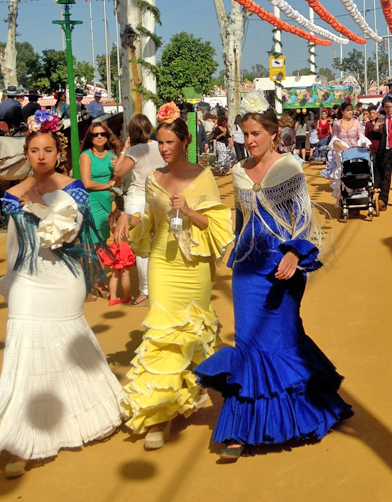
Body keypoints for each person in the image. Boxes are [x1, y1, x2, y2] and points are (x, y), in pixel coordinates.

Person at [194, 95, 353, 459]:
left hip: (285, 263)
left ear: (272, 133)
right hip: (249, 266)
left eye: (255, 133)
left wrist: (296, 254)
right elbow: (240, 217)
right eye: (244, 133)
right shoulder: (236, 171)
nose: (249, 140)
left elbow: (303, 218)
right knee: (249, 341)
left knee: (283, 336)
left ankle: (312, 408)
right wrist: (234, 251)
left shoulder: (291, 167)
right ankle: (239, 430)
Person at [0, 123, 125, 477]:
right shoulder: (11, 194)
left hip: (63, 277)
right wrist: (10, 279)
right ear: (26, 154)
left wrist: (38, 207)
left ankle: (80, 413)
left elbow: (68, 235)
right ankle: (20, 438)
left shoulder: (74, 188)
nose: (41, 156)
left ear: (59, 154)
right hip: (27, 278)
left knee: (67, 345)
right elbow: (12, 242)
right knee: (24, 348)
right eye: (35, 151)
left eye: (48, 151)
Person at [113, 109, 233, 450]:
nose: (164, 149)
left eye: (170, 142)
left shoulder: (203, 175)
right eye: (160, 142)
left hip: (194, 264)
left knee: (192, 331)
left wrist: (190, 211)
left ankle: (213, 401)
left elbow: (216, 226)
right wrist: (130, 220)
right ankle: (161, 415)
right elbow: (149, 219)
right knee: (164, 333)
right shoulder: (153, 178)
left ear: (185, 142)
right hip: (163, 262)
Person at [111, 114, 164, 307]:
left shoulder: (135, 150)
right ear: (150, 129)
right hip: (159, 198)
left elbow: (118, 172)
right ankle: (160, 286)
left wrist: (125, 150)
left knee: (142, 248)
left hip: (138, 199)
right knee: (159, 242)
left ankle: (145, 290)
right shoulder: (160, 146)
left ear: (130, 132)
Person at [79, 120, 122, 298]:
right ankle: (85, 285)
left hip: (105, 202)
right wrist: (109, 184)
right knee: (88, 245)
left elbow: (119, 179)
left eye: (102, 134)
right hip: (91, 201)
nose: (99, 137)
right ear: (90, 137)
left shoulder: (112, 155)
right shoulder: (86, 156)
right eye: (95, 134)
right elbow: (87, 183)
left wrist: (117, 170)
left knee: (101, 244)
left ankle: (98, 282)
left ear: (107, 136)